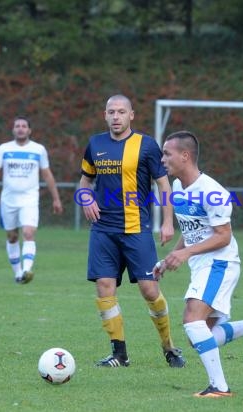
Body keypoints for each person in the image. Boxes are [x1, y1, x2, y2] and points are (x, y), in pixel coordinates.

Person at [156, 130, 243, 398]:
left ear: (185, 155)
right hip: (203, 264)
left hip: (219, 263)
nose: (162, 159)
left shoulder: (213, 192)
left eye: (167, 153)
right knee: (203, 335)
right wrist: (173, 256)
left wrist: (187, 254)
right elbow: (192, 230)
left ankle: (220, 387)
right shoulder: (179, 188)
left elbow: (223, 236)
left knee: (192, 320)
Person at [79, 94, 185, 369]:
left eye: (121, 112)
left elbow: (164, 185)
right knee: (104, 288)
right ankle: (119, 353)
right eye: (111, 112)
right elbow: (84, 182)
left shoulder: (146, 145)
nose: (116, 116)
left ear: (131, 115)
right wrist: (86, 198)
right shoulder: (95, 144)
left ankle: (169, 346)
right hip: (103, 231)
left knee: (150, 291)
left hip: (137, 229)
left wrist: (167, 222)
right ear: (105, 115)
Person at [0, 116, 63, 284]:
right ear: (13, 130)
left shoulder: (38, 150)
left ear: (29, 130)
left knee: (28, 233)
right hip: (8, 200)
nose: (20, 128)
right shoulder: (4, 149)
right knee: (12, 237)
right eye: (17, 126)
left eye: (24, 126)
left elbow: (47, 174)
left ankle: (27, 270)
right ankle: (18, 273)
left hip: (29, 199)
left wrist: (56, 198)